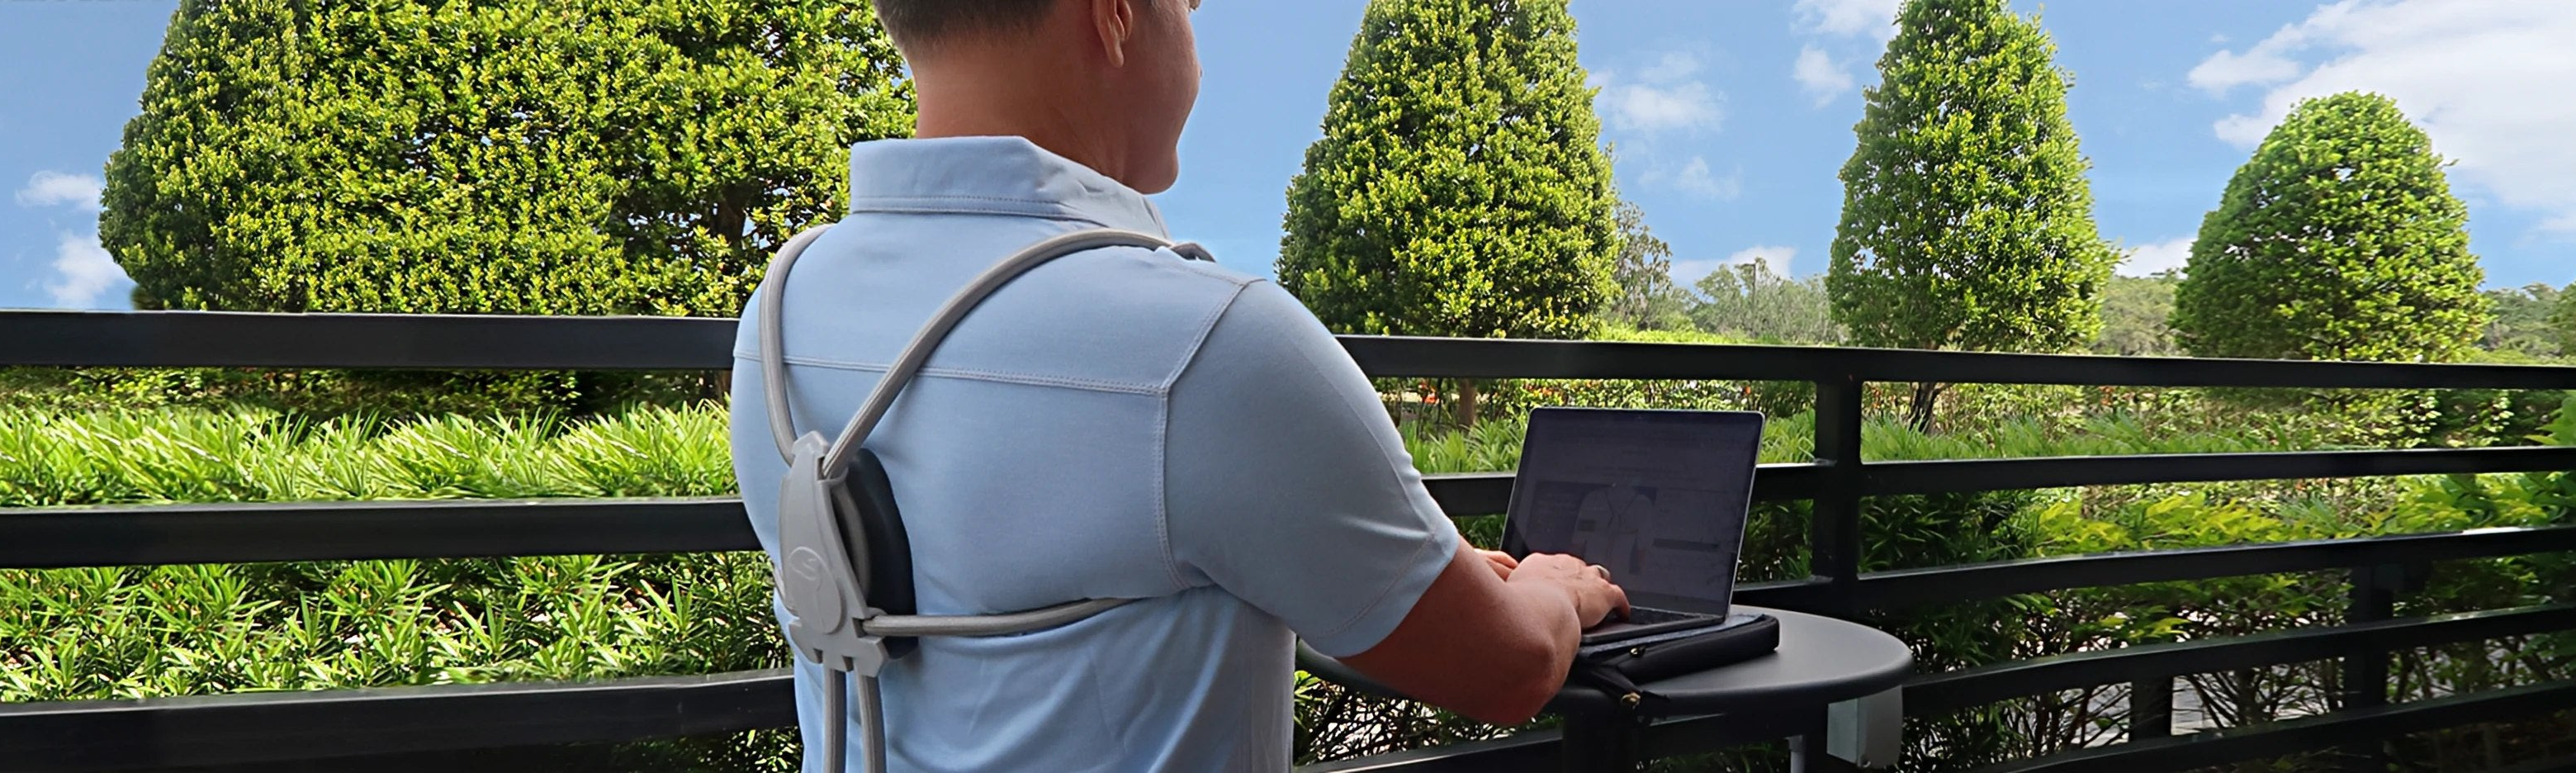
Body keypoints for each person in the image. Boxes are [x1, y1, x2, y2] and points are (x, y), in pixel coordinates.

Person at [727, 0, 1631, 770]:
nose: (1198, 53)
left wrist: (1410, 572)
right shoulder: (1205, 341)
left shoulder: (779, 312)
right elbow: (1505, 671)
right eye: (1192, 11)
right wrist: (1556, 588)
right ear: (1118, 13)